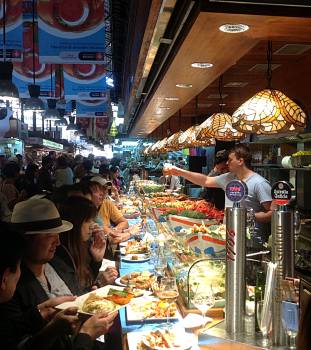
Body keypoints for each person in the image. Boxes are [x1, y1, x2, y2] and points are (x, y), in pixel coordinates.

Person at [0, 198, 117, 350]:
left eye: (58, 234)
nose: (58, 242)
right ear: (26, 239)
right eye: (50, 235)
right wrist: (86, 335)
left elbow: (78, 299)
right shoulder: (10, 288)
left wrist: (94, 285)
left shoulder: (57, 262)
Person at [165, 144, 273, 248]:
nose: (227, 163)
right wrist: (181, 172)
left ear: (240, 161)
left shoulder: (259, 183)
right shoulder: (230, 178)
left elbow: (272, 213)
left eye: (230, 160)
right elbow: (206, 180)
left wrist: (247, 216)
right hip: (228, 238)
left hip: (251, 242)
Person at [57, 196, 107, 293]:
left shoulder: (82, 245)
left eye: (93, 220)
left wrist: (96, 260)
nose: (93, 226)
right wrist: (99, 283)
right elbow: (76, 295)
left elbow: (88, 282)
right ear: (75, 222)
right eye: (88, 221)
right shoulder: (61, 254)